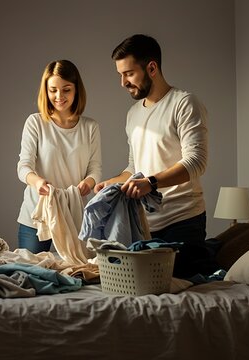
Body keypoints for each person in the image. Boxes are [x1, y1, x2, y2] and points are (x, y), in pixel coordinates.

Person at [94, 34, 214, 277]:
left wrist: (151, 184)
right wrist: (113, 182)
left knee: (172, 288)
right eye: (120, 75)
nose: (122, 82)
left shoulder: (184, 103)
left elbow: (196, 162)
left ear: (151, 68)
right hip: (145, 225)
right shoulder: (132, 114)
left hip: (183, 222)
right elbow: (133, 166)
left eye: (128, 73)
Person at [17, 60, 102, 253]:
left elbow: (95, 169)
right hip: (36, 215)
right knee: (32, 275)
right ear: (45, 91)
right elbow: (24, 167)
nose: (59, 96)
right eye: (53, 90)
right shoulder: (35, 122)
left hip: (74, 215)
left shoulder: (90, 127)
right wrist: (38, 182)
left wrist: (88, 183)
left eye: (66, 89)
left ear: (76, 90)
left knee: (80, 272)